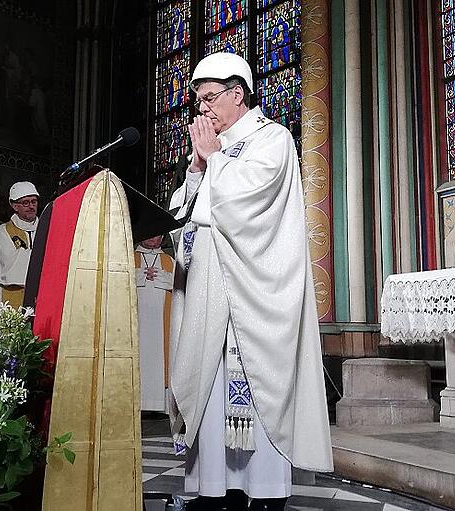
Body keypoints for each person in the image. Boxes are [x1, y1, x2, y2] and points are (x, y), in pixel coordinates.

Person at [168, 52, 332, 511]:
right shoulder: (210, 152)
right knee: (210, 391)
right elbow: (187, 217)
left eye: (209, 100)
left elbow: (245, 208)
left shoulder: (272, 139)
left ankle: (262, 493)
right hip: (210, 299)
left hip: (254, 303)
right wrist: (198, 171)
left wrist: (212, 162)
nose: (203, 112)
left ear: (238, 93)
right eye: (198, 103)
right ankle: (212, 491)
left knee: (255, 396)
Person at [134, 235, 175, 413]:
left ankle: (161, 406)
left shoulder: (170, 260)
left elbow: (184, 284)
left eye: (158, 234)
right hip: (137, 324)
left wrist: (166, 278)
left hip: (162, 325)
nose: (153, 238)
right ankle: (135, 403)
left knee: (161, 357)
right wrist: (138, 276)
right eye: (150, 233)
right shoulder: (128, 257)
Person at [0, 181, 39, 306]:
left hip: (40, 292)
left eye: (34, 201)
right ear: (14, 206)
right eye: (25, 202)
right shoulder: (3, 230)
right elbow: (10, 263)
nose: (31, 206)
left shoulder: (47, 228)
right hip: (10, 292)